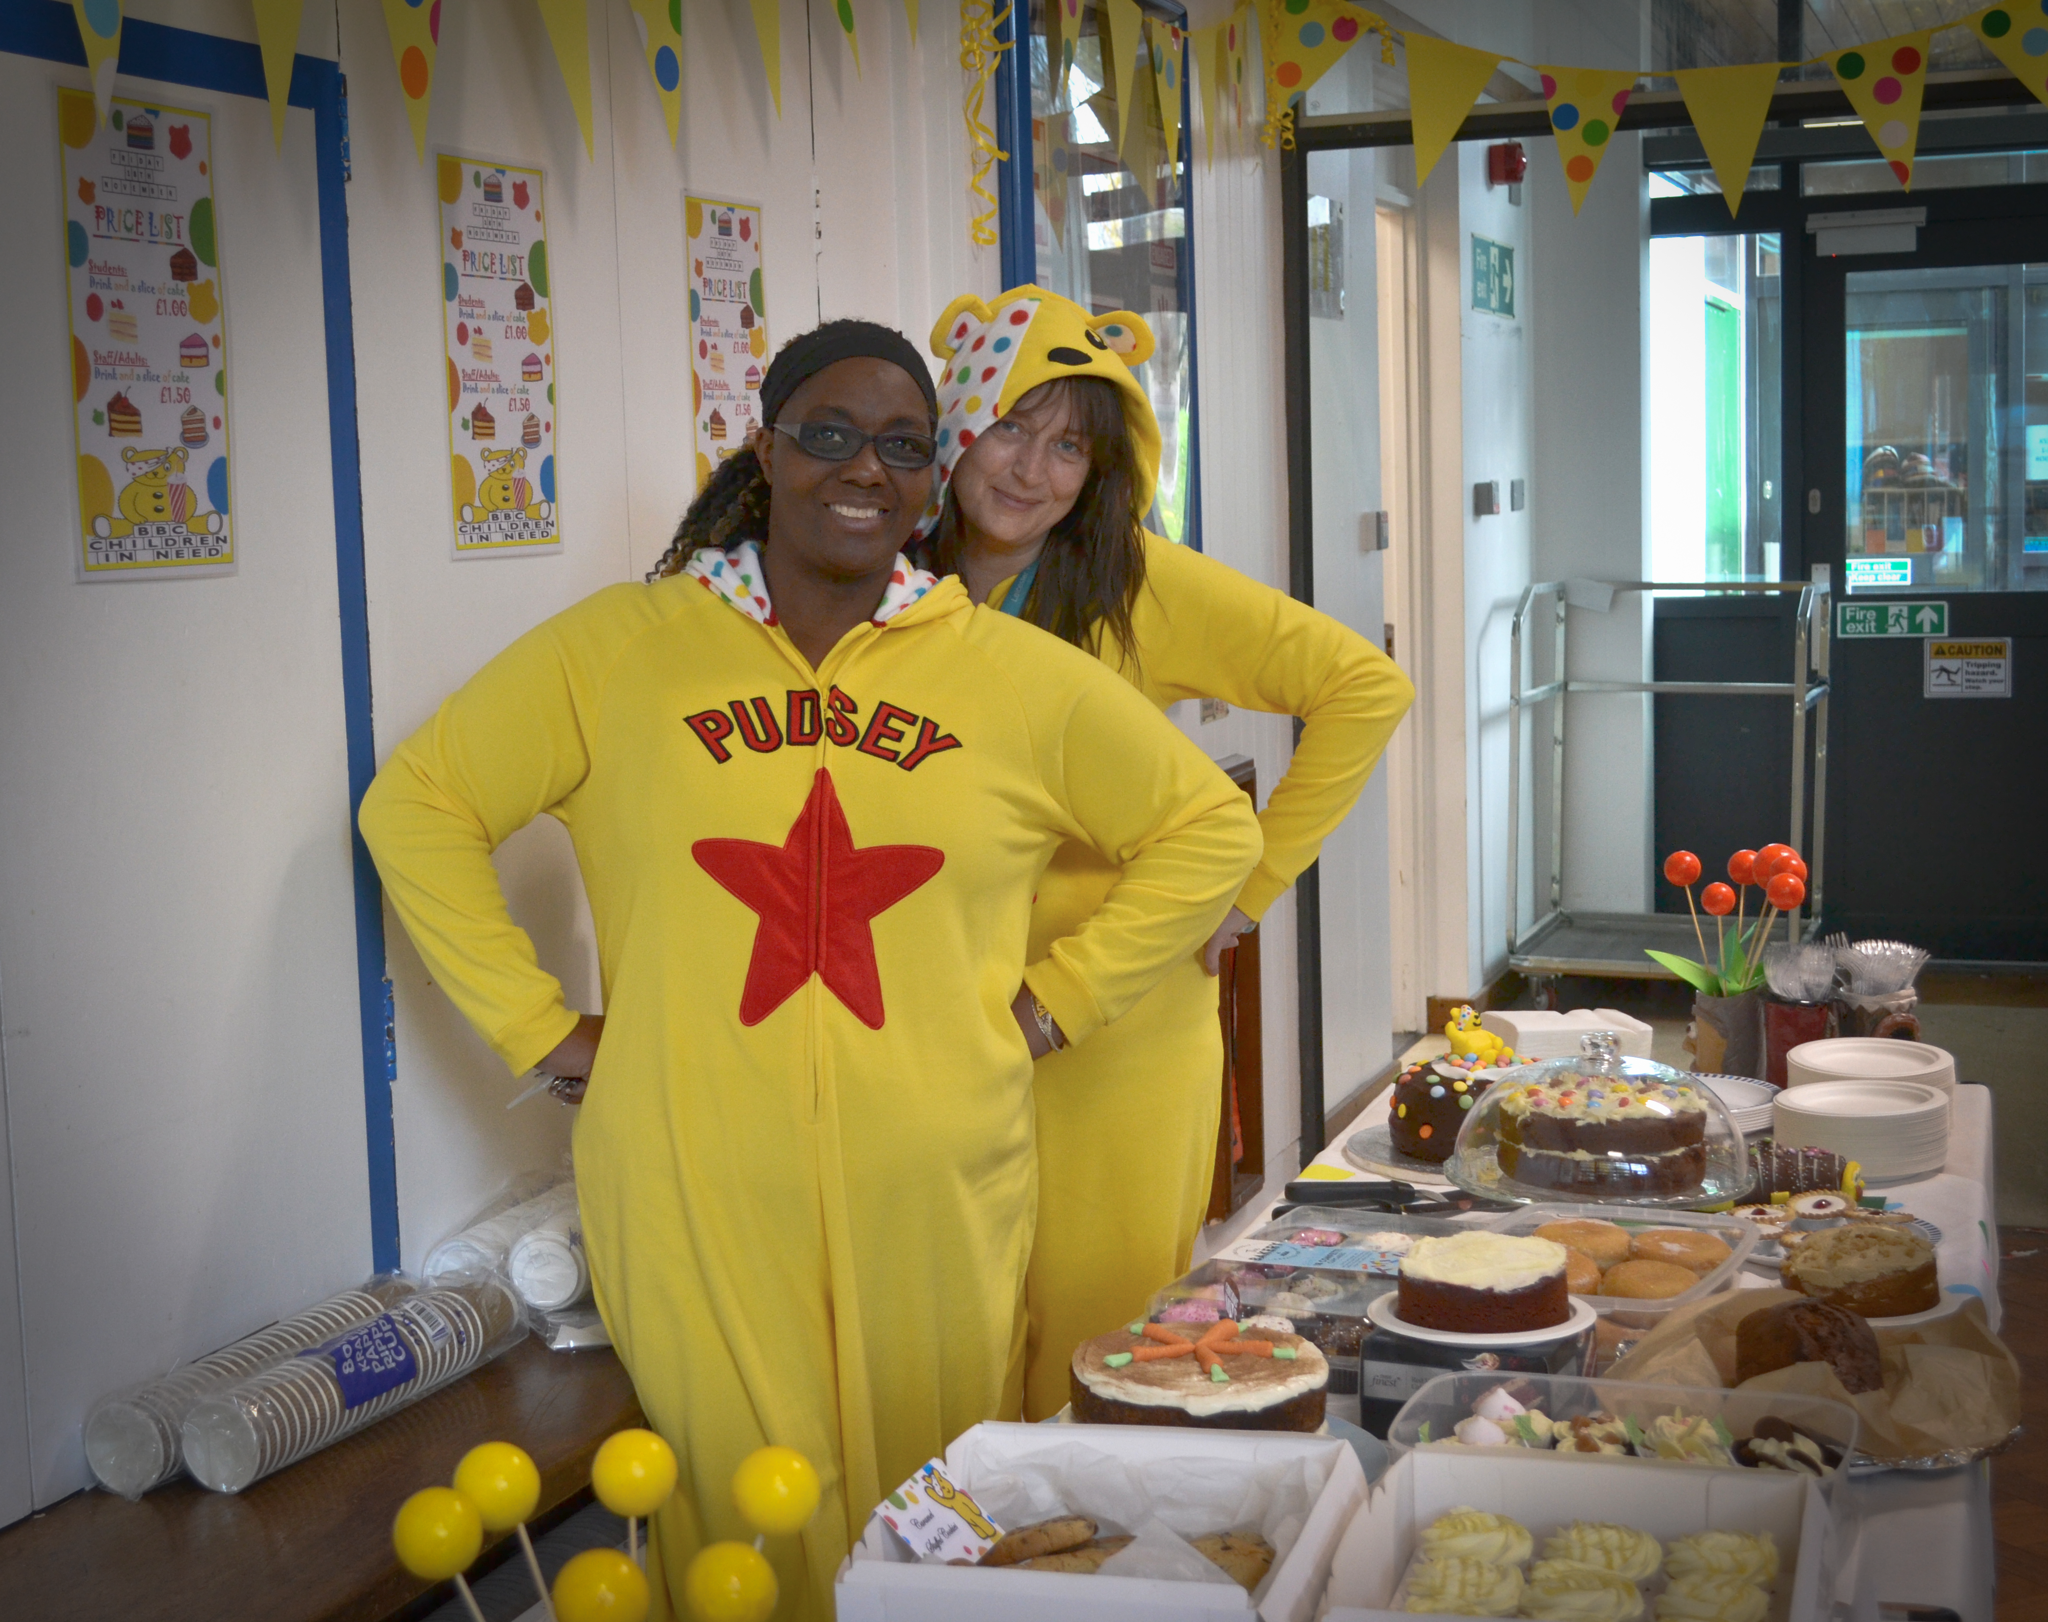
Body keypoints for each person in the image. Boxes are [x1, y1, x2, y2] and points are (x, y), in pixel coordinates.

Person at [357, 320, 1261, 1619]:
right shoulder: (621, 648)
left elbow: (1205, 827)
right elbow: (421, 803)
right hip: (689, 1170)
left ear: (930, 475)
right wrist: (540, 1027)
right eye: (829, 432)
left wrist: (1061, 999)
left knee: (938, 1501)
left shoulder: (1010, 673)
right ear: (766, 448)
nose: (864, 468)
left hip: (941, 1165)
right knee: (739, 1508)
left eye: (902, 444)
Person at [916, 286, 1416, 1421]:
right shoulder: (888, 586)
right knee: (958, 1333)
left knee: (1098, 1346)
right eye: (1008, 425)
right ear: (956, 421)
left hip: (1117, 1034)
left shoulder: (1133, 580)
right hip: (941, 1022)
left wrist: (1248, 890)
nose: (1029, 470)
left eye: (1068, 448)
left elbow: (1363, 686)